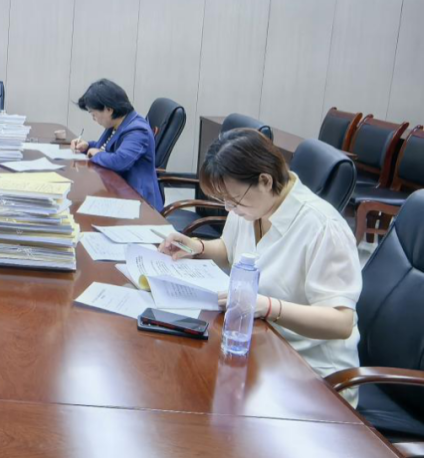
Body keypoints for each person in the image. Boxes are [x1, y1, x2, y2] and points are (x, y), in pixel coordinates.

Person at [158, 129, 362, 403]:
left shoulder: (323, 227)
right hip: (258, 347)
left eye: (234, 200)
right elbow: (230, 251)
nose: (229, 208)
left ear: (265, 180)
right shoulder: (251, 206)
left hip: (311, 371)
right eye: (224, 200)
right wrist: (197, 247)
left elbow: (341, 322)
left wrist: (268, 306)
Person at [70, 79, 163, 211]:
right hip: (118, 190)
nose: (93, 119)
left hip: (139, 203)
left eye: (93, 114)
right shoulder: (118, 122)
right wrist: (87, 146)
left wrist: (96, 154)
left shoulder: (137, 130)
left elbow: (120, 161)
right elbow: (106, 148)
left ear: (109, 109)